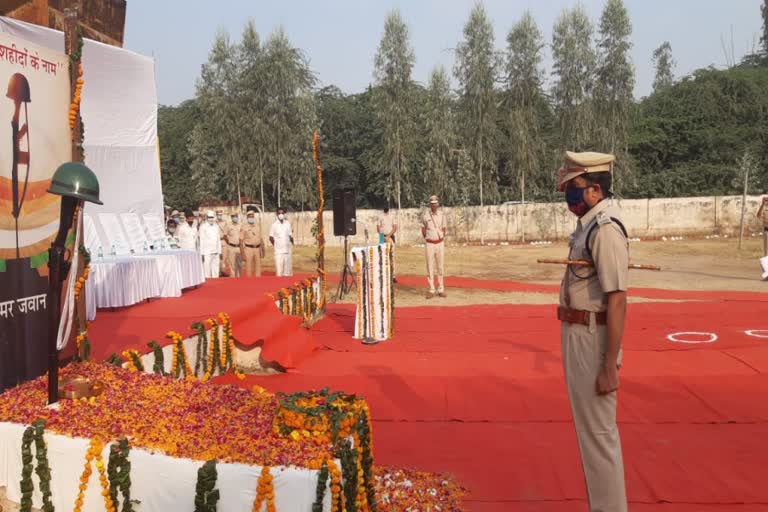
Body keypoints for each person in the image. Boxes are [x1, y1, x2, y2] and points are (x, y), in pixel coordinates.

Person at [556, 151, 629, 512]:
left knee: (599, 437)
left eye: (576, 187)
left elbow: (617, 300)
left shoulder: (606, 229)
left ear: (595, 191)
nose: (570, 195)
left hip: (593, 339)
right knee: (590, 437)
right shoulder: (588, 224)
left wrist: (608, 365)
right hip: (577, 333)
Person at [421, 195, 446, 299]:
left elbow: (444, 228)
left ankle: (441, 289)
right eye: (432, 204)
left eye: (435, 204)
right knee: (430, 266)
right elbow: (423, 228)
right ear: (430, 205)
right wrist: (428, 237)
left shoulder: (442, 215)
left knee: (440, 267)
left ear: (438, 204)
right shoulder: (425, 215)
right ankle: (431, 289)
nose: (434, 206)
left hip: (440, 244)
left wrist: (440, 236)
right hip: (430, 244)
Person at [269, 207, 294, 276]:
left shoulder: (287, 224)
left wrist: (292, 244)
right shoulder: (274, 225)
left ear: (284, 214)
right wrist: (276, 245)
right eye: (279, 213)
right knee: (279, 272)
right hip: (278, 252)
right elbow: (271, 237)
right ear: (277, 214)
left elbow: (290, 235)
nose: (281, 215)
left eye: (282, 213)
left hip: (287, 251)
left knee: (287, 272)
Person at [241, 209, 265, 277]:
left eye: (252, 216)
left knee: (258, 267)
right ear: (247, 217)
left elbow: (260, 238)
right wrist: (242, 253)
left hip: (257, 249)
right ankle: (249, 283)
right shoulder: (244, 227)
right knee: (248, 267)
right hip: (248, 249)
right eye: (250, 216)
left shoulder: (257, 226)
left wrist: (263, 249)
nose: (251, 218)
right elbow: (240, 240)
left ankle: (258, 283)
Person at [199, 211, 222, 278]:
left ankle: (216, 283)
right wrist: (202, 253)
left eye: (212, 217)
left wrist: (220, 251)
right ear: (207, 218)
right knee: (207, 269)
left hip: (216, 251)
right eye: (209, 217)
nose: (211, 219)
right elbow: (201, 240)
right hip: (207, 251)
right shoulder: (203, 227)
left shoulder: (216, 226)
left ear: (214, 217)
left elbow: (218, 239)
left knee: (216, 269)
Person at [378, 206, 398, 282]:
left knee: (392, 256)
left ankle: (393, 276)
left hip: (390, 237)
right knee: (382, 256)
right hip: (382, 237)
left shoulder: (392, 216)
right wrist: (383, 236)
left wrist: (388, 236)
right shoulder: (380, 216)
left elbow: (395, 227)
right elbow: (378, 228)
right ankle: (383, 275)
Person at [224, 212, 242, 277]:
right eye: (233, 216)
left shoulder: (240, 225)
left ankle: (239, 278)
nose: (235, 218)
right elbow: (225, 236)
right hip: (231, 247)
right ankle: (233, 279)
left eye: (236, 216)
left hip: (239, 247)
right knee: (232, 264)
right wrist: (229, 243)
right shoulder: (228, 225)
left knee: (239, 263)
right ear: (231, 217)